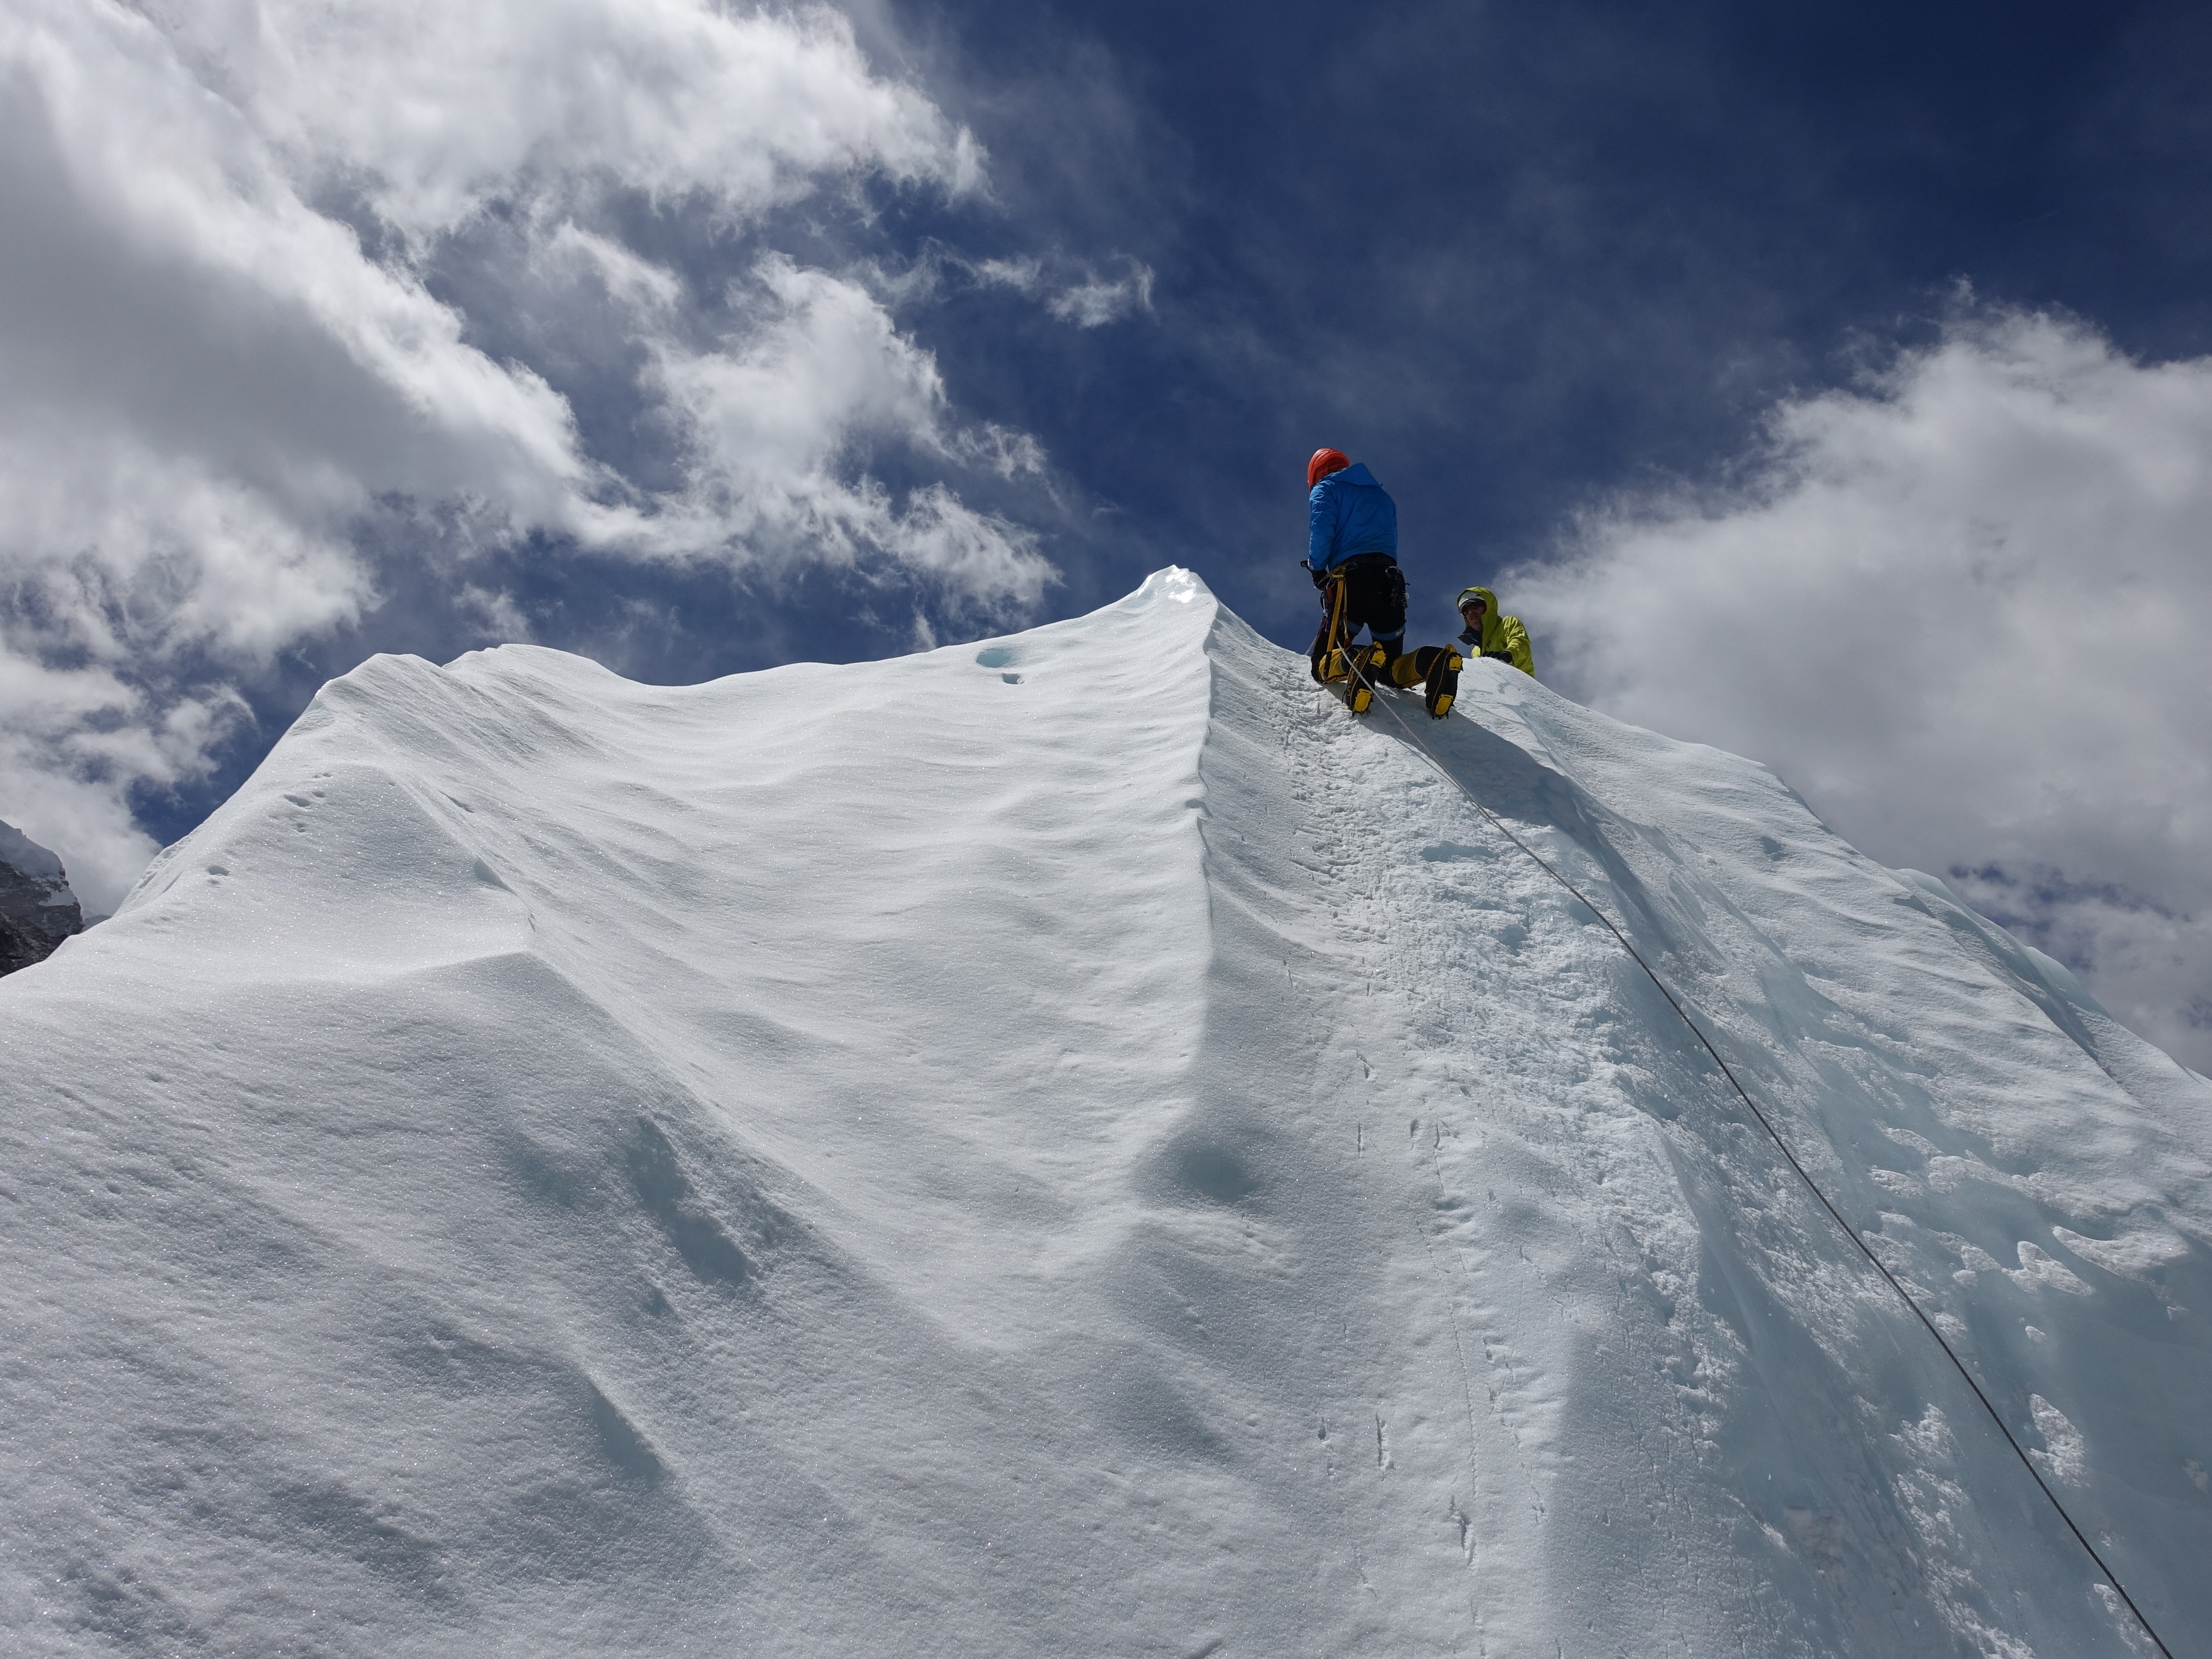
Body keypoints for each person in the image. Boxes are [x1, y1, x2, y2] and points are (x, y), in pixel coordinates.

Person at [1303, 448, 1460, 717]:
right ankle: (1435, 661)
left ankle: (1356, 659)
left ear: (1316, 474)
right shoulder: (1382, 496)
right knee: (1390, 667)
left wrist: (1318, 570)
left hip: (1350, 580)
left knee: (1321, 664)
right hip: (1390, 582)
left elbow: (1322, 531)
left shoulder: (1326, 488)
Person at [1455, 586, 1535, 677]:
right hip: (1495, 691)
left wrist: (1508, 654)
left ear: (1488, 606)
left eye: (1475, 605)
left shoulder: (1507, 624)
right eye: (1465, 611)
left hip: (1521, 687)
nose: (1470, 612)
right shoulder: (1476, 651)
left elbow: (1521, 645)